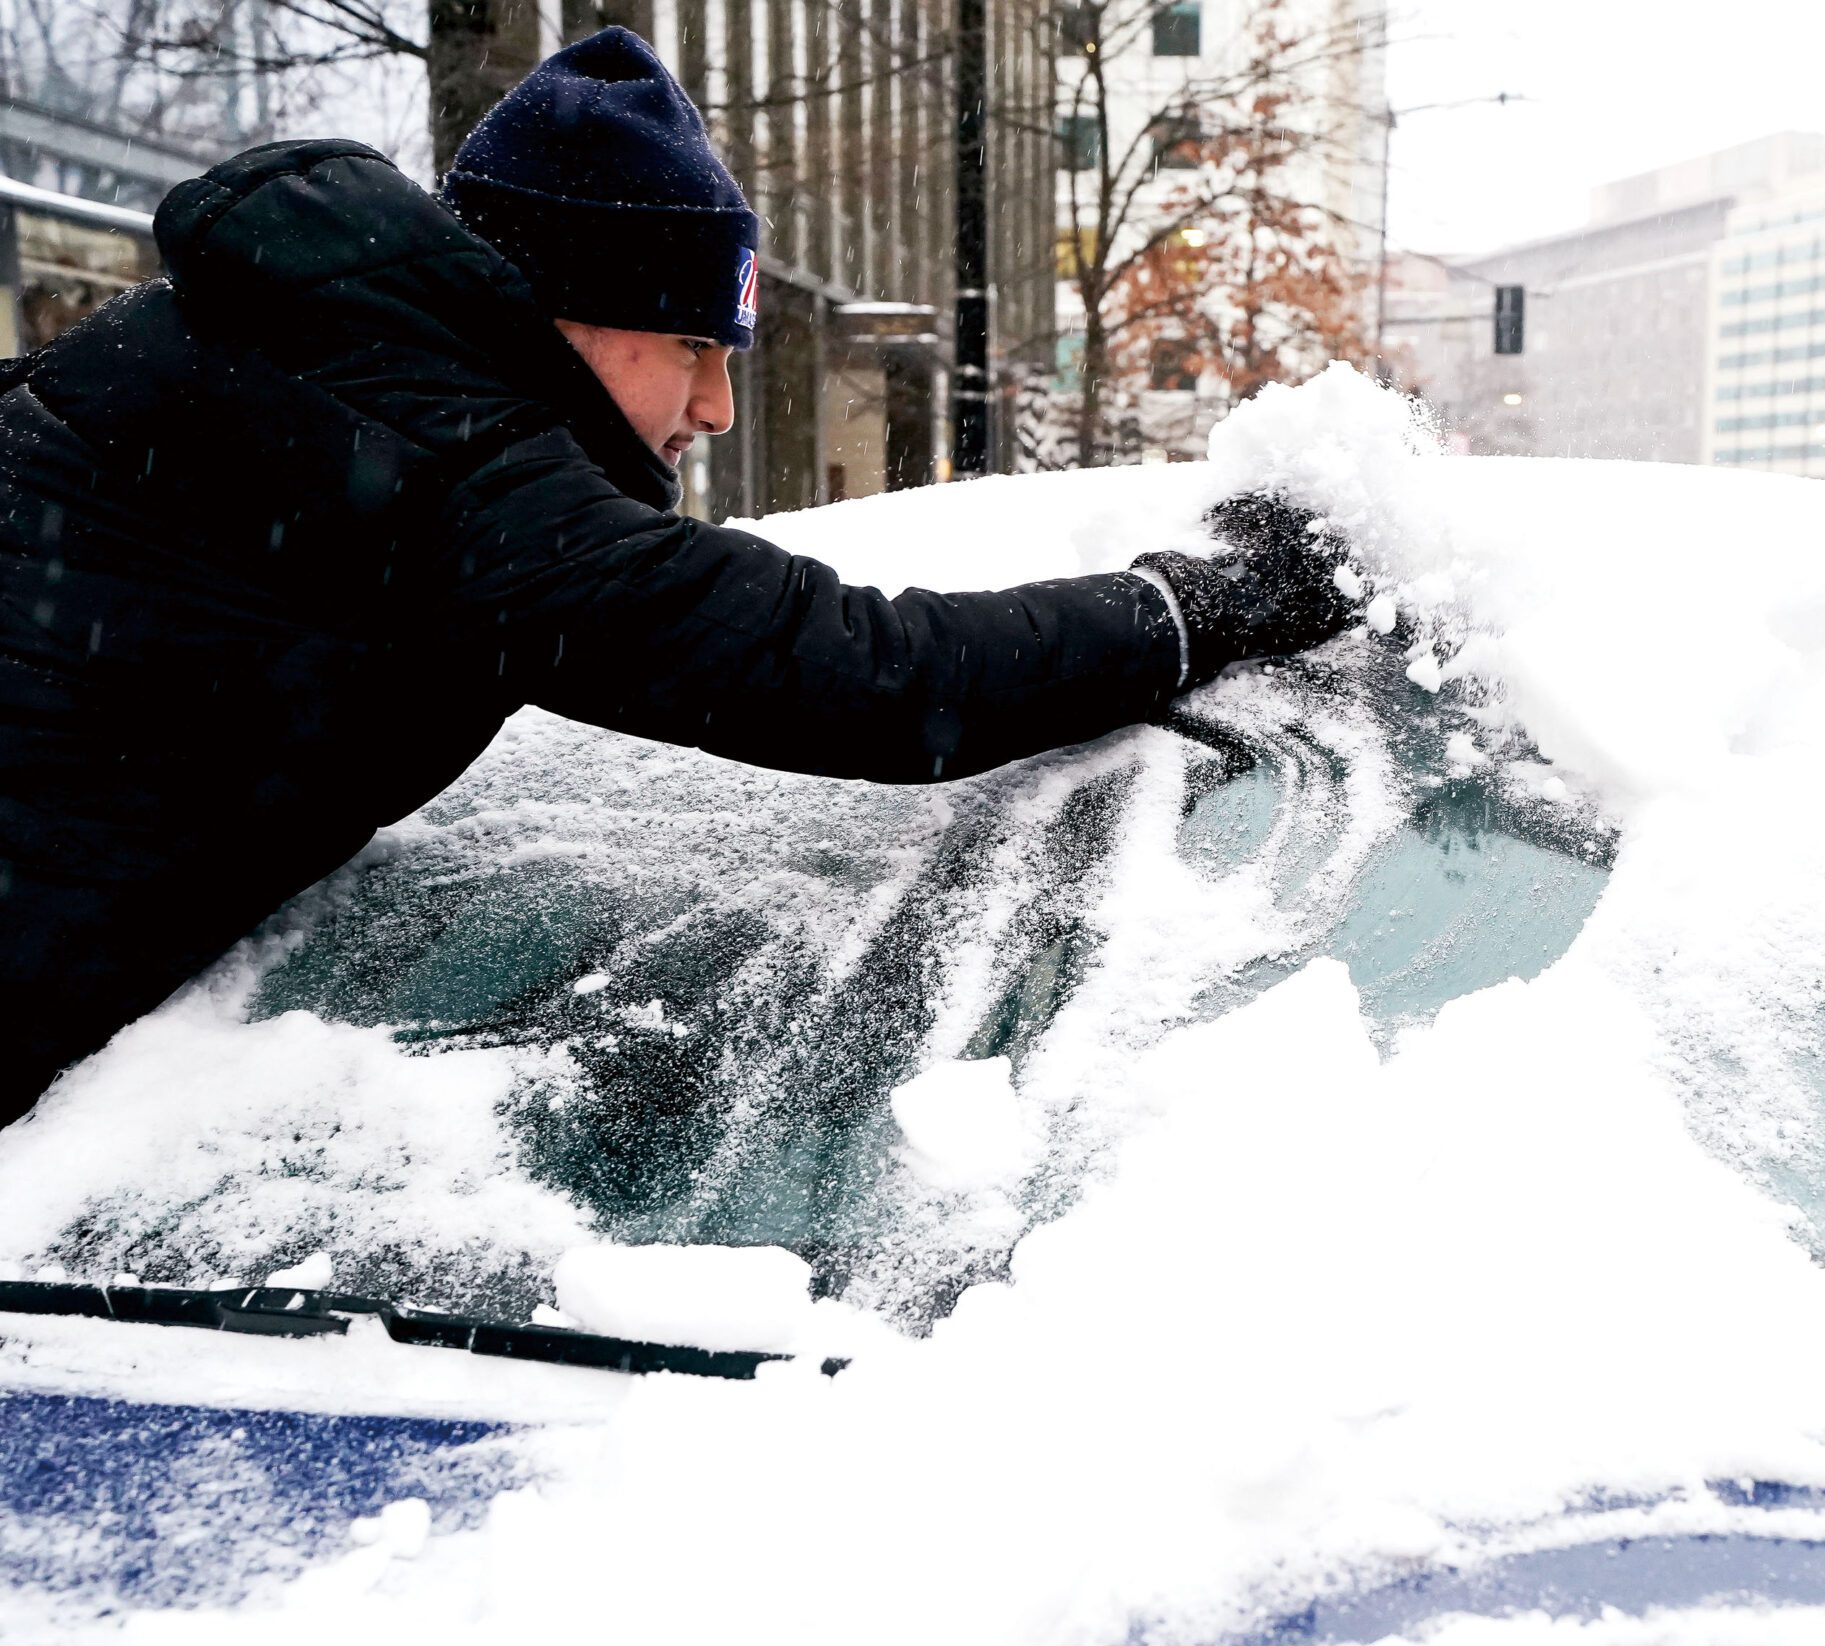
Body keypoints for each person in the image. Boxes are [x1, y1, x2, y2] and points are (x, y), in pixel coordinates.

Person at [0, 29, 1354, 1126]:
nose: (713, 404)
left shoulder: (264, 361)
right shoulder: (447, 473)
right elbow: (874, 678)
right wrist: (1202, 602)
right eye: (689, 343)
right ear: (561, 307)